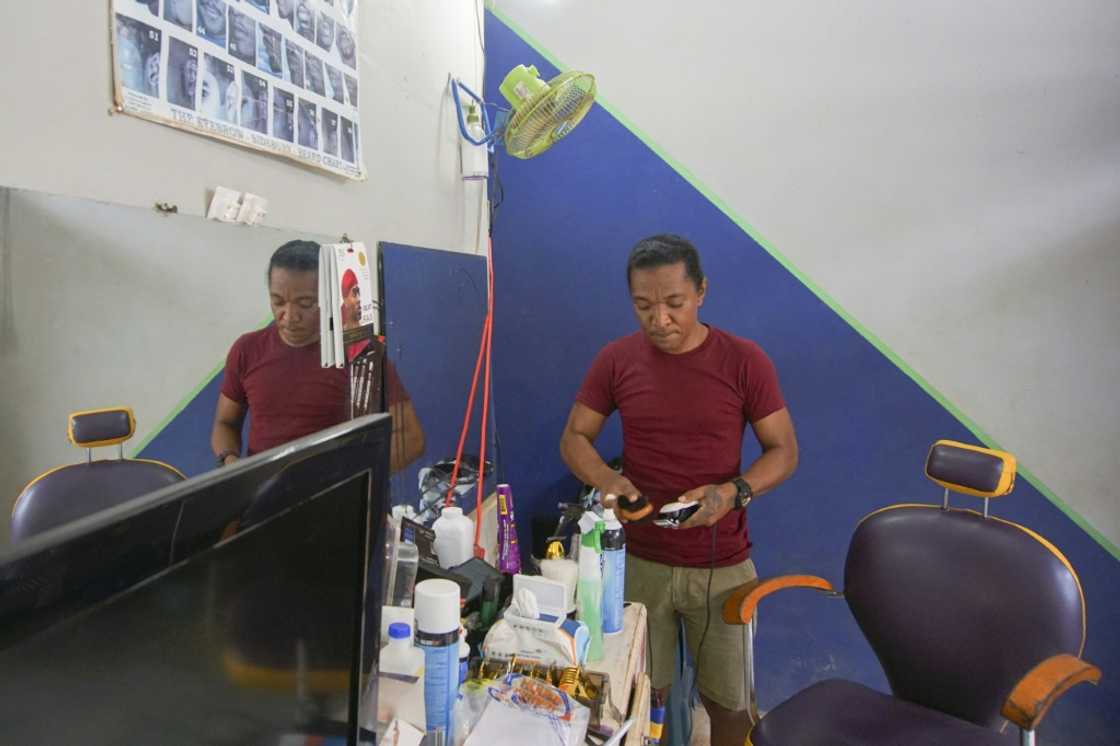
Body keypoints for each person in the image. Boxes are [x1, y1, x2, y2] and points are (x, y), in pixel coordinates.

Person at [559, 234, 798, 746]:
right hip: (639, 563)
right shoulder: (617, 360)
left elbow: (783, 451)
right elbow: (575, 437)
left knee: (730, 706)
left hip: (723, 564)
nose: (659, 320)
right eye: (644, 306)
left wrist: (731, 493)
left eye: (674, 304)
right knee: (644, 698)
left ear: (702, 292)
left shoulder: (744, 361)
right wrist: (609, 481)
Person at [212, 240, 425, 474]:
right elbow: (226, 423)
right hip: (262, 499)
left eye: (305, 304)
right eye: (278, 301)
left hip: (333, 500)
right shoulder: (247, 349)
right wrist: (229, 463)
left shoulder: (361, 354)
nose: (289, 316)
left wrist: (347, 481)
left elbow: (411, 439)